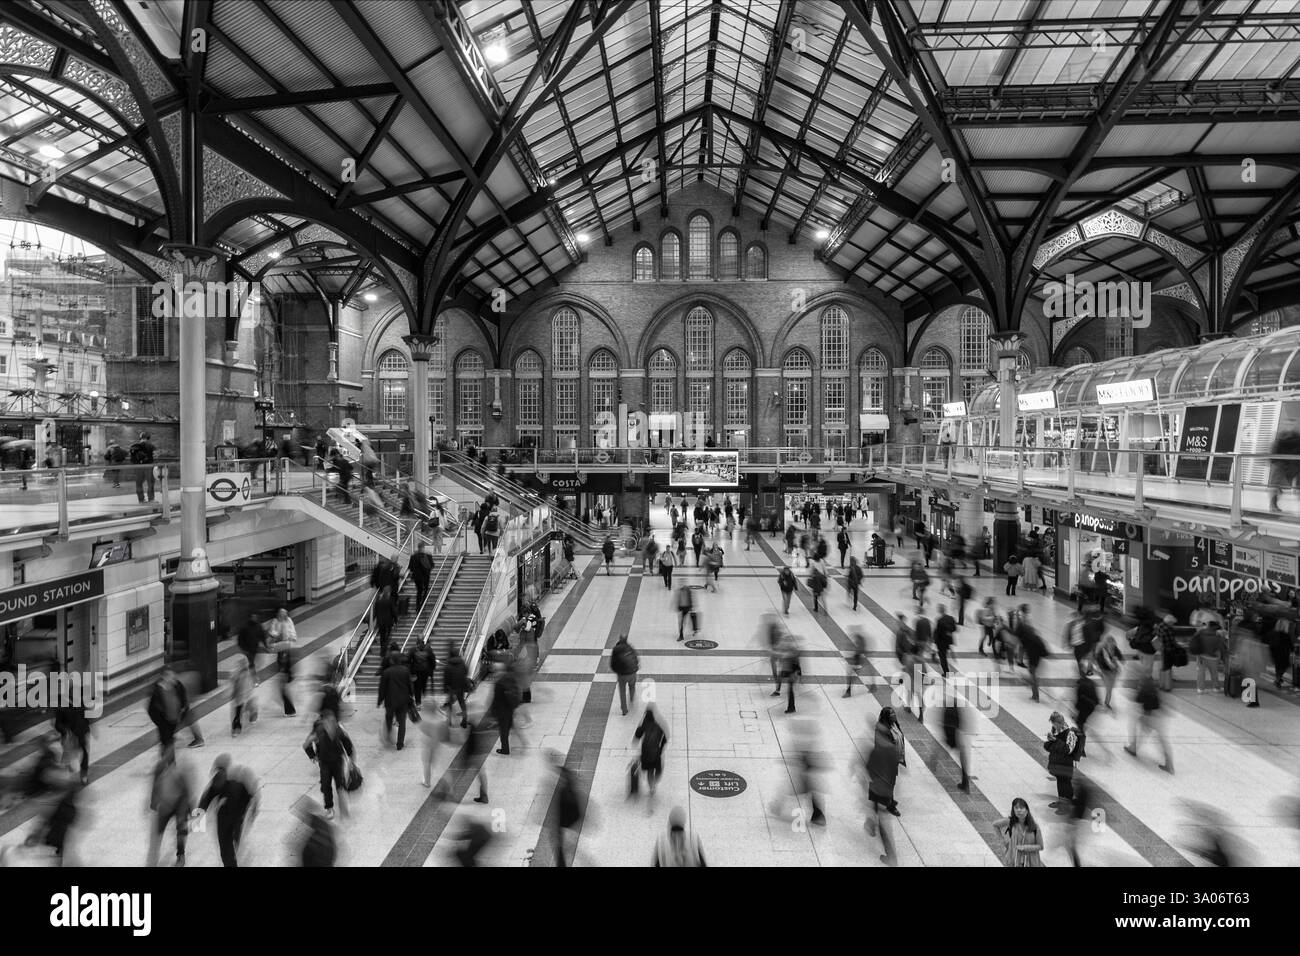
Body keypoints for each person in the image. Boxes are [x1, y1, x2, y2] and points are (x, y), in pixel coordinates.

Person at [196, 755, 259, 867]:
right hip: (227, 817)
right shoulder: (224, 779)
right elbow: (207, 797)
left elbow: (253, 796)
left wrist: (254, 809)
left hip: (234, 817)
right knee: (227, 848)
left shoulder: (240, 778)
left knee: (230, 846)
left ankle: (232, 855)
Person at [864, 707, 906, 865]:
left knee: (883, 821)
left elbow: (869, 768)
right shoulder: (889, 748)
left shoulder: (880, 748)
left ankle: (891, 856)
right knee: (876, 807)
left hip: (879, 785)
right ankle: (870, 822)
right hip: (885, 785)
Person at [146, 746, 193, 866]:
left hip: (179, 803)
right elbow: (155, 786)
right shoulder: (159, 768)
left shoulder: (180, 772)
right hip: (166, 804)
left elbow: (187, 791)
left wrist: (191, 809)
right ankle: (153, 857)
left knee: (181, 829)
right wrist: (153, 803)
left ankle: (180, 855)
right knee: (158, 831)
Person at [303, 710, 353, 819]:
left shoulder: (338, 729)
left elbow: (347, 743)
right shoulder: (318, 731)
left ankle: (344, 805)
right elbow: (306, 744)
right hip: (324, 763)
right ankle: (329, 808)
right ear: (324, 722)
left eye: (333, 721)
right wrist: (312, 756)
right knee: (326, 785)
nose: (331, 723)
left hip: (337, 761)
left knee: (340, 784)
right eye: (328, 721)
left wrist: (350, 758)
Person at [1126, 674, 1173, 773]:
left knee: (1134, 724)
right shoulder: (1155, 690)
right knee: (1162, 740)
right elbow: (1162, 704)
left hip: (1148, 718)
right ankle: (1169, 764)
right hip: (1158, 718)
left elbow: (1136, 701)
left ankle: (1133, 748)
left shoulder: (1143, 691)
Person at [1045, 711, 1084, 813]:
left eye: (1054, 724)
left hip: (1066, 764)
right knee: (1060, 782)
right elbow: (1053, 746)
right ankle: (1061, 801)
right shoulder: (1055, 731)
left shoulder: (1070, 733)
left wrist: (1055, 741)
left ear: (1059, 723)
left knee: (1065, 784)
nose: (1053, 726)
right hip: (1057, 762)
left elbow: (1068, 749)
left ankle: (1066, 806)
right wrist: (1051, 741)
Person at [378, 651, 414, 750]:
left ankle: (389, 735)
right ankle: (400, 743)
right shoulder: (405, 670)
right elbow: (409, 685)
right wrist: (411, 694)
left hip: (390, 701)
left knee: (389, 719)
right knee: (402, 722)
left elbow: (382, 688)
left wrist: (380, 700)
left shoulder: (386, 672)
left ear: (392, 660)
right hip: (403, 701)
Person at [266, 608, 298, 717]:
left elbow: (293, 633)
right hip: (281, 648)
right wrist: (276, 636)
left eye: (284, 614)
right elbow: (272, 633)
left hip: (285, 647)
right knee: (282, 685)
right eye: (281, 614)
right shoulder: (275, 622)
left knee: (282, 686)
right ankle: (289, 709)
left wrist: (289, 638)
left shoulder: (289, 621)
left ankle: (290, 710)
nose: (282, 616)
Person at [996, 798, 1044, 867]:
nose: (1019, 810)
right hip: (1013, 860)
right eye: (1016, 808)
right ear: (1013, 810)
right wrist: (1003, 841)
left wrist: (1024, 847)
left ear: (1027, 810)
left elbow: (1041, 846)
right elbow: (995, 825)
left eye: (1021, 808)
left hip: (1031, 862)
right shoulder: (1010, 821)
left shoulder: (1035, 827)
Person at [941, 686, 970, 792]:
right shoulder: (957, 706)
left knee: (940, 751)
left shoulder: (948, 707)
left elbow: (945, 724)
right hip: (958, 735)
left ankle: (933, 764)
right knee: (962, 759)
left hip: (953, 735)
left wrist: (946, 736)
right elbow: (962, 722)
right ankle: (965, 781)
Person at [634, 705, 668, 796]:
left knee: (650, 770)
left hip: (646, 752)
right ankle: (655, 783)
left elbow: (637, 735)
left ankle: (651, 787)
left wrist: (640, 723)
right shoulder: (658, 725)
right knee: (658, 770)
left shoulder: (644, 724)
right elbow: (665, 738)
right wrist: (661, 748)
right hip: (656, 752)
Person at [490, 664, 522, 755]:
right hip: (510, 708)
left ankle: (505, 749)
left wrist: (492, 712)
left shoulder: (499, 683)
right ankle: (517, 742)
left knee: (503, 731)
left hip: (502, 710)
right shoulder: (510, 678)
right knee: (508, 727)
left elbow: (496, 699)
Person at [1017, 604, 1046, 702]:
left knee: (1033, 674)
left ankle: (1035, 695)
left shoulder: (1028, 636)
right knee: (1032, 673)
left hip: (1035, 654)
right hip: (1036, 654)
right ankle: (1034, 693)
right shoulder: (1031, 635)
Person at [1268, 426, 1300, 512]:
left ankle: (1273, 504)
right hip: (1285, 465)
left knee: (1276, 485)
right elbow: (1274, 452)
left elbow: (1273, 452)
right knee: (1276, 485)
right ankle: (1273, 504)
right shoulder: (1293, 438)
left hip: (1290, 465)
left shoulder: (1283, 438)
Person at [1191, 617, 1224, 694]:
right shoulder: (1217, 636)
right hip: (1213, 657)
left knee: (1200, 673)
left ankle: (1200, 689)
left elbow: (1194, 640)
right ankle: (1216, 688)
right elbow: (1221, 648)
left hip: (1200, 656)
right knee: (1214, 673)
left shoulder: (1200, 632)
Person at [611, 634, 640, 716]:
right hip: (632, 673)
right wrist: (635, 669)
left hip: (622, 675)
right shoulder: (630, 648)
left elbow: (612, 663)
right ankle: (631, 700)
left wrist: (616, 671)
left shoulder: (616, 650)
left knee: (622, 692)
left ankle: (624, 710)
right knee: (632, 686)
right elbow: (636, 659)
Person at [443, 648, 470, 727]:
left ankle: (449, 722)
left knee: (450, 704)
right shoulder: (462, 663)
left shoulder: (448, 665)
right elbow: (466, 671)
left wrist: (445, 688)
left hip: (452, 688)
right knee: (462, 702)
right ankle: (464, 720)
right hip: (461, 686)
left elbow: (446, 678)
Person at [1095, 632, 1121, 708]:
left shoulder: (1115, 649)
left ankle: (1106, 701)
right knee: (1109, 689)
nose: (1111, 645)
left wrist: (1117, 659)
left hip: (1113, 671)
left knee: (1110, 688)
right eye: (1109, 643)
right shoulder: (1102, 651)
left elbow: (1120, 657)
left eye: (1112, 643)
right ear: (1106, 643)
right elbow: (1099, 660)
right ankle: (1107, 703)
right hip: (1105, 671)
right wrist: (1108, 662)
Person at [777, 632, 802, 714]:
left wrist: (796, 674)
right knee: (790, 690)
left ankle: (791, 708)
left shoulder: (792, 653)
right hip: (791, 672)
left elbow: (795, 664)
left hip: (792, 673)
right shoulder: (791, 651)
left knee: (790, 691)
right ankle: (791, 707)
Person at [129, 431, 156, 503]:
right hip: (148, 467)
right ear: (148, 438)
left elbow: (132, 458)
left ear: (140, 437)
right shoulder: (151, 446)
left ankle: (141, 499)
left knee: (139, 483)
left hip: (138, 467)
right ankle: (151, 499)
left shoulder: (133, 446)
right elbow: (155, 455)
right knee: (150, 483)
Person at [372, 586, 396, 666]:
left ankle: (382, 650)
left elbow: (375, 611)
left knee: (382, 637)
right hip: (388, 622)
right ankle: (383, 651)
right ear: (388, 593)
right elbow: (393, 611)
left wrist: (373, 621)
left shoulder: (378, 601)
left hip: (380, 622)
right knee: (387, 637)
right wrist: (396, 620)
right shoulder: (389, 601)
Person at [410, 637, 435, 706]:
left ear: (417, 641)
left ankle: (418, 703)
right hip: (425, 671)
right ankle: (423, 691)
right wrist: (431, 669)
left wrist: (411, 670)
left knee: (417, 687)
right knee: (423, 684)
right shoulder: (428, 649)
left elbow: (408, 659)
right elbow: (432, 660)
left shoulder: (413, 649)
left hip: (416, 671)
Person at [409, 543, 434, 608]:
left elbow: (410, 567)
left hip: (417, 577)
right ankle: (423, 603)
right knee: (425, 589)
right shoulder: (428, 556)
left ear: (418, 547)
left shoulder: (413, 556)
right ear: (423, 547)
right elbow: (432, 565)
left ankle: (418, 605)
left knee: (419, 590)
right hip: (426, 576)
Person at [934, 605, 957, 678]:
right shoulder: (951, 618)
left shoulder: (939, 620)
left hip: (941, 642)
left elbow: (938, 633)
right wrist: (948, 632)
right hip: (948, 640)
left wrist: (935, 641)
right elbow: (954, 629)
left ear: (940, 611)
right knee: (945, 655)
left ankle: (946, 673)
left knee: (942, 657)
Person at [844, 627, 867, 698]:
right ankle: (848, 690)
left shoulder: (860, 641)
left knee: (851, 675)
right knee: (851, 675)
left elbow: (859, 651)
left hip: (856, 661)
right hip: (856, 661)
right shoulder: (860, 640)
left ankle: (848, 690)